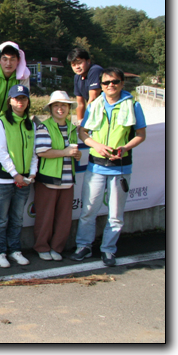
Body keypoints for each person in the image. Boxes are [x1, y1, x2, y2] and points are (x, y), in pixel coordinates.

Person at [70, 67, 146, 266]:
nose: (110, 85)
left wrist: (125, 147)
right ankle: (84, 246)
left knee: (115, 214)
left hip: (120, 167)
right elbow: (83, 132)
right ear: (101, 85)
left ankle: (108, 249)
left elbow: (141, 135)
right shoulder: (94, 105)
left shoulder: (133, 105)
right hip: (96, 166)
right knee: (88, 211)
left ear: (122, 83)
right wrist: (97, 146)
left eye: (115, 82)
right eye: (106, 82)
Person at [0, 84, 38, 268]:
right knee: (1, 219)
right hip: (3, 179)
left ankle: (15, 250)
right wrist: (15, 174)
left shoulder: (31, 124)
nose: (20, 102)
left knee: (17, 218)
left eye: (24, 98)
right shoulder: (1, 122)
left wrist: (32, 173)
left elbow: (34, 152)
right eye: (17, 99)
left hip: (24, 180)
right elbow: (1, 152)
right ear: (10, 101)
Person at [33, 91, 82, 261]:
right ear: (51, 108)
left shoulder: (72, 128)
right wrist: (65, 152)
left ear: (69, 108)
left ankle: (57, 247)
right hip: (48, 179)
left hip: (68, 180)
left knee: (64, 218)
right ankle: (42, 247)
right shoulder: (44, 127)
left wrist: (76, 155)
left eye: (63, 105)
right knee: (45, 217)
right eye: (56, 105)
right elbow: (42, 152)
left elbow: (71, 151)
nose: (60, 109)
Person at [67, 47, 103, 124]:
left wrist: (87, 122)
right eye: (73, 65)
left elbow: (93, 99)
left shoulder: (95, 70)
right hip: (95, 113)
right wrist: (80, 122)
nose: (77, 67)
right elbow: (80, 104)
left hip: (105, 111)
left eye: (79, 63)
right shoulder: (77, 77)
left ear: (88, 61)